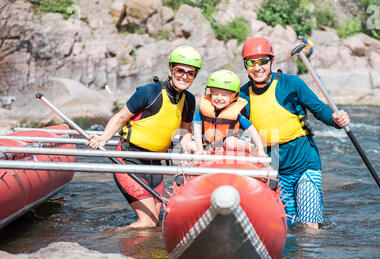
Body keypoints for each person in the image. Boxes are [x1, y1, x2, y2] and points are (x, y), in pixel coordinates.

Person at [239, 37, 350, 229]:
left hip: (305, 163)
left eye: (263, 61)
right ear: (245, 65)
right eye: (251, 62)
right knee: (284, 226)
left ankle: (310, 258)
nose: (257, 67)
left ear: (271, 61)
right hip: (274, 170)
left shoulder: (291, 84)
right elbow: (230, 126)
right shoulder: (242, 95)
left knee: (309, 226)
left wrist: (335, 119)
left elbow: (319, 109)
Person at [86, 45, 201, 229]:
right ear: (171, 70)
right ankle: (109, 237)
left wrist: (193, 149)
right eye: (180, 70)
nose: (184, 76)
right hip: (130, 159)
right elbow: (120, 117)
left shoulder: (189, 100)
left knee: (155, 223)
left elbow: (184, 134)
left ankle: (133, 250)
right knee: (147, 223)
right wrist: (103, 138)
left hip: (156, 164)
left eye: (190, 73)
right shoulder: (150, 92)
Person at [193, 69, 266, 157]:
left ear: (234, 96)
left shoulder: (235, 112)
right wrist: (200, 149)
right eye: (215, 94)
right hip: (208, 144)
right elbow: (197, 126)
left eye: (225, 95)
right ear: (210, 93)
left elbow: (251, 129)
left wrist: (260, 149)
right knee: (190, 145)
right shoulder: (204, 108)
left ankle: (251, 148)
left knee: (230, 142)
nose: (219, 98)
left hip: (227, 143)